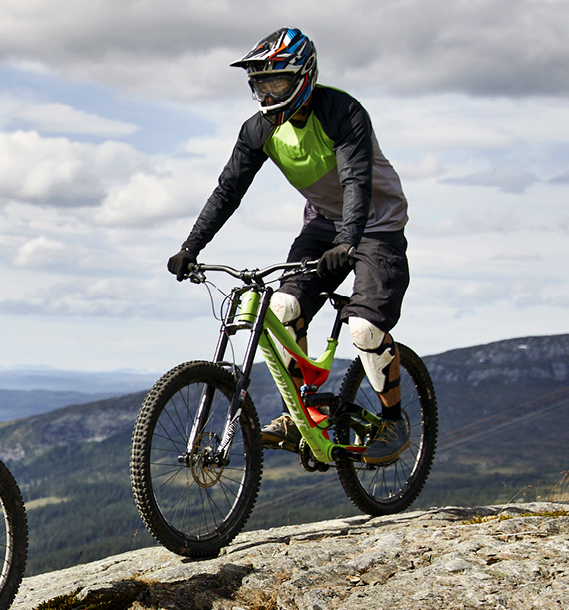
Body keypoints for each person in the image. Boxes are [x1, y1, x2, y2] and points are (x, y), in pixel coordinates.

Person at [166, 27, 413, 462]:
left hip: (377, 225)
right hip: (322, 226)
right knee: (281, 308)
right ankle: (302, 412)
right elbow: (228, 191)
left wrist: (348, 241)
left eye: (275, 82)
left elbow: (356, 181)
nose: (266, 94)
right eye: (259, 85)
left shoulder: (343, 112)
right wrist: (192, 246)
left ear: (303, 77)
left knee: (364, 328)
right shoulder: (259, 130)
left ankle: (393, 420)